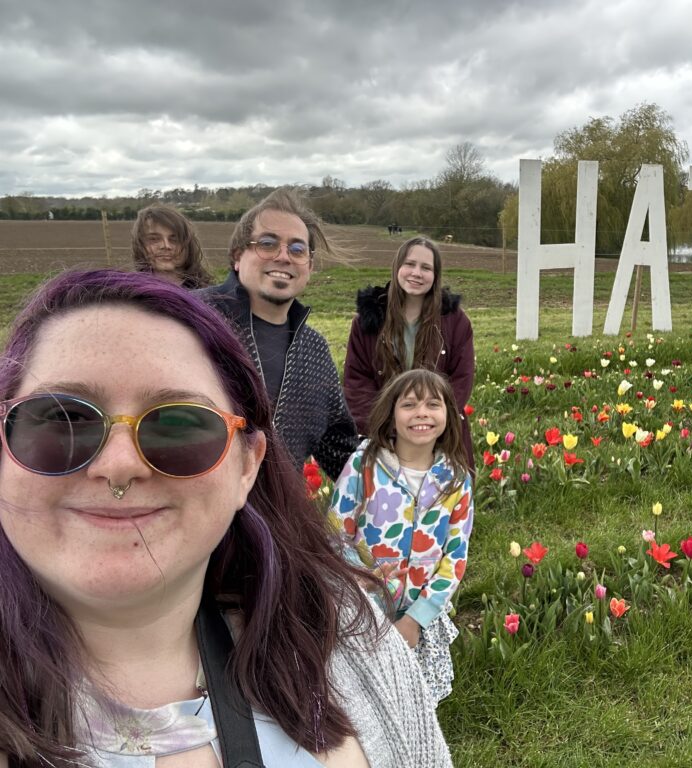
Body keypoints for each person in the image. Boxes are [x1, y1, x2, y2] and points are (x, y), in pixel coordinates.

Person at [0, 269, 451, 767]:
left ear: (247, 466)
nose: (118, 465)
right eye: (63, 419)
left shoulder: (346, 635)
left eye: (178, 425)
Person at [330, 369, 474, 707]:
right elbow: (336, 531)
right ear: (391, 418)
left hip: (420, 613)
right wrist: (358, 576)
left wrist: (417, 618)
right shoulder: (363, 466)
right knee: (363, 694)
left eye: (433, 405)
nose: (421, 413)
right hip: (365, 603)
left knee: (415, 699)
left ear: (448, 417)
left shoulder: (456, 480)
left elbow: (455, 557)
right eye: (409, 404)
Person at [199, 188, 358, 479]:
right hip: (195, 516)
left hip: (276, 521)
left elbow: (340, 450)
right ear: (238, 256)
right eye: (268, 243)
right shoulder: (194, 318)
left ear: (308, 267)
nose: (283, 256)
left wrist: (414, 465)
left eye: (297, 249)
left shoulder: (313, 350)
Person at [343, 237, 475, 469]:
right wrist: (389, 426)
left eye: (426, 268)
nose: (416, 273)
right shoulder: (367, 323)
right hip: (385, 437)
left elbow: (461, 380)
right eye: (410, 264)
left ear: (435, 275)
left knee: (442, 502)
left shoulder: (455, 322)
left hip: (439, 435)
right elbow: (357, 382)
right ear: (397, 268)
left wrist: (430, 422)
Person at [130, 204, 213, 289]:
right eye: (154, 239)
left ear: (188, 246)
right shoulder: (128, 294)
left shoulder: (210, 296)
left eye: (175, 239)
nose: (166, 246)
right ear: (139, 244)